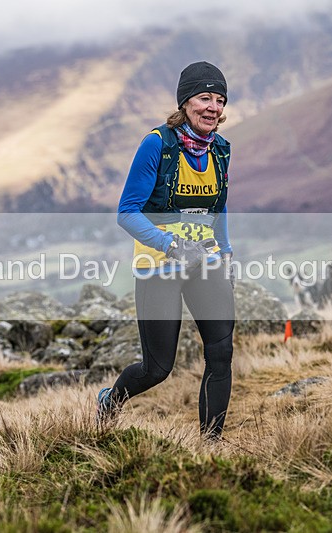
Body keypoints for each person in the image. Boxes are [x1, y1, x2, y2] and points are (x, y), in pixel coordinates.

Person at [98, 61, 236, 440]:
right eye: (205, 97)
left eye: (220, 100)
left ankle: (211, 443)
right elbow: (127, 213)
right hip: (159, 265)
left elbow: (218, 208)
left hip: (204, 262)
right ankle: (110, 401)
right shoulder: (157, 144)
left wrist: (225, 254)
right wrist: (171, 245)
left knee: (221, 353)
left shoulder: (221, 150)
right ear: (185, 102)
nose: (213, 107)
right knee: (158, 368)